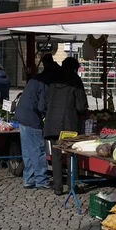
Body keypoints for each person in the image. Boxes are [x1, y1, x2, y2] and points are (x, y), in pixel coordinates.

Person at [44, 57, 88, 196]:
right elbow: (81, 106)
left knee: (56, 155)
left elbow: (46, 102)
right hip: (68, 124)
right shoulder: (75, 81)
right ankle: (71, 187)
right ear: (75, 68)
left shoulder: (53, 80)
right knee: (71, 154)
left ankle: (58, 188)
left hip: (51, 123)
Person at [15, 57, 61, 190]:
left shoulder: (36, 79)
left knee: (28, 152)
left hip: (23, 118)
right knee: (38, 150)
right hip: (32, 119)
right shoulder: (46, 83)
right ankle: (41, 180)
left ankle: (28, 180)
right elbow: (42, 106)